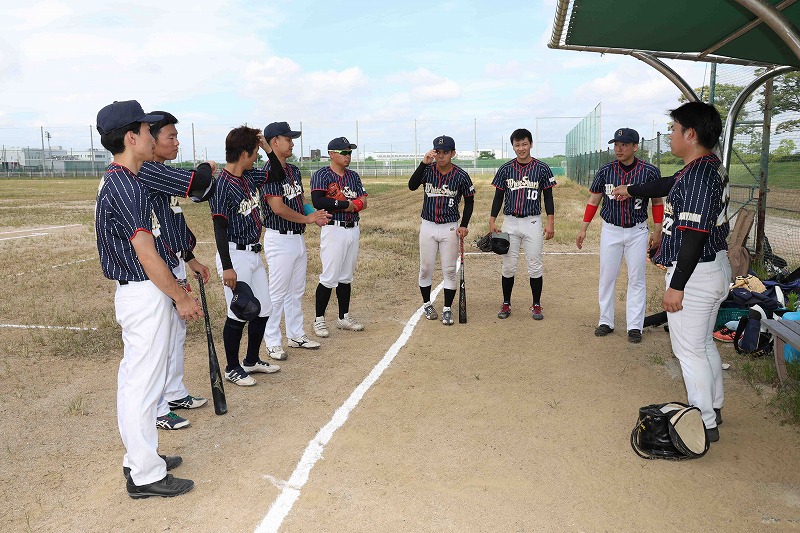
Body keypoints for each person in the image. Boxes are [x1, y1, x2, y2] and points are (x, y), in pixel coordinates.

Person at [95, 100, 201, 498]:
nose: (151, 135)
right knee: (142, 384)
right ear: (130, 137)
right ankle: (145, 474)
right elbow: (146, 252)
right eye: (144, 129)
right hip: (143, 291)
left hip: (138, 291)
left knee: (135, 382)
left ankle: (138, 458)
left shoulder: (125, 179)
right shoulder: (125, 183)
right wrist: (180, 296)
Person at [612, 101, 731, 443]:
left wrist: (677, 286)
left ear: (690, 134)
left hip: (696, 274)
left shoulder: (697, 176)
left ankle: (703, 424)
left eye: (674, 129)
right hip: (712, 268)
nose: (670, 136)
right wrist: (630, 189)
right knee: (702, 344)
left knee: (689, 352)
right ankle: (714, 407)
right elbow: (665, 183)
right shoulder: (704, 165)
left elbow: (694, 236)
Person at [138, 111, 214, 429]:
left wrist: (190, 258)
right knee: (158, 342)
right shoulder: (149, 170)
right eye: (170, 136)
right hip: (156, 270)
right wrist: (206, 169)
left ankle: (173, 393)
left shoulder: (160, 171)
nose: (176, 142)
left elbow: (173, 222)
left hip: (173, 262)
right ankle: (157, 409)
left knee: (175, 335)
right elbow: (200, 185)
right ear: (151, 140)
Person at [209, 125, 283, 386]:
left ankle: (251, 360)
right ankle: (232, 368)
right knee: (240, 311)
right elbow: (219, 227)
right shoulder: (221, 184)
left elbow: (277, 172)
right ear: (243, 154)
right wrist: (227, 267)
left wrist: (266, 147)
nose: (257, 157)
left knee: (263, 309)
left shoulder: (249, 176)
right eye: (254, 152)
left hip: (253, 253)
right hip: (234, 254)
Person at [576, 128, 664, 343]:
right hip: (611, 229)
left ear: (635, 147)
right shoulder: (606, 171)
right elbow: (594, 200)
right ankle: (605, 321)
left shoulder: (649, 171)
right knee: (607, 277)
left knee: (637, 278)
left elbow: (657, 202)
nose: (619, 148)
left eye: (624, 144)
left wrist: (658, 230)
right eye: (616, 144)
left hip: (637, 230)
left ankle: (635, 326)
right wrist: (584, 228)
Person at [261, 122, 331, 359]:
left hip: (296, 237)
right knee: (277, 293)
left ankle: (296, 334)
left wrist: (315, 215)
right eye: (288, 139)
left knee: (296, 291)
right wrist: (307, 219)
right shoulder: (268, 171)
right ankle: (272, 341)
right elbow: (278, 208)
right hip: (279, 238)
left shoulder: (293, 170)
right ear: (274, 142)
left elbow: (300, 200)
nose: (292, 143)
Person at [408, 135, 475, 326]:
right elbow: (412, 186)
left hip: (450, 227)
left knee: (449, 270)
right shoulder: (427, 170)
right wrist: (423, 163)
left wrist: (464, 224)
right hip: (428, 225)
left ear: (453, 153)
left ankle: (447, 308)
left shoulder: (461, 175)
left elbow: (469, 201)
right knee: (425, 268)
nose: (441, 156)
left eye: (445, 152)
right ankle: (427, 304)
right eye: (438, 152)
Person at [489, 128, 555, 320]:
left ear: (531, 144)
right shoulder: (505, 169)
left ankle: (536, 304)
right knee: (508, 265)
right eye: (517, 145)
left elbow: (548, 197)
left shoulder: (542, 168)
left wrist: (550, 222)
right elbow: (498, 196)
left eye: (524, 144)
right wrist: (492, 220)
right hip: (510, 222)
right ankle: (506, 303)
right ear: (513, 146)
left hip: (532, 221)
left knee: (534, 265)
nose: (521, 148)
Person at [310, 136, 368, 337]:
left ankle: (343, 317)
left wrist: (352, 205)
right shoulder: (322, 175)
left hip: (353, 228)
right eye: (344, 152)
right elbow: (318, 201)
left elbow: (363, 202)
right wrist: (346, 204)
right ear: (332, 154)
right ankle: (319, 320)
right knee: (329, 276)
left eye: (350, 152)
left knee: (346, 276)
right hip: (334, 229)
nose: (348, 156)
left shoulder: (353, 176)